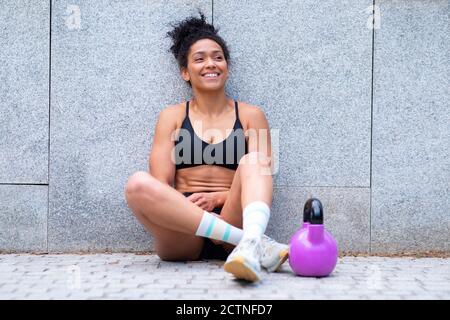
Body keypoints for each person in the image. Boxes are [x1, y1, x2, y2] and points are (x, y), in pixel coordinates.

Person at [124, 11, 288, 282]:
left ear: (227, 67)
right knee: (137, 184)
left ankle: (249, 242)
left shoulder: (251, 115)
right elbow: (160, 184)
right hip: (184, 232)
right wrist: (189, 206)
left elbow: (263, 178)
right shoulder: (172, 116)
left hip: (233, 214)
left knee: (255, 161)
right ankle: (257, 244)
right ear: (185, 72)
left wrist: (217, 199)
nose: (210, 64)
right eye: (200, 59)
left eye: (218, 57)